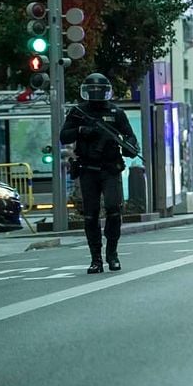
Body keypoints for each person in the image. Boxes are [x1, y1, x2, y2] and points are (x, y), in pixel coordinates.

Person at [60, 72, 140, 274]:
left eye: (100, 91)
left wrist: (129, 147)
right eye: (92, 90)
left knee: (114, 209)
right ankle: (95, 258)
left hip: (110, 168)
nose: (96, 94)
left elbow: (130, 136)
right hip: (88, 169)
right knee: (90, 215)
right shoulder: (78, 112)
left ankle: (112, 254)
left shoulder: (116, 112)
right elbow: (63, 136)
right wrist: (81, 131)